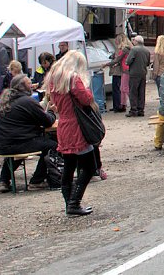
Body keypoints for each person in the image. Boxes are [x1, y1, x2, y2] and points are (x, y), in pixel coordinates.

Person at [46, 51, 98, 215]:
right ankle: (74, 203)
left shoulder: (54, 78)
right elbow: (86, 99)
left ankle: (69, 202)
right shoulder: (73, 79)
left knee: (69, 166)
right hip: (77, 126)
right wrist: (87, 87)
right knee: (90, 167)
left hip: (64, 124)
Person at [0, 75, 57, 192]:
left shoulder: (5, 101)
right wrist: (52, 111)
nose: (32, 85)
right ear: (23, 87)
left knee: (18, 147)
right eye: (29, 84)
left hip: (1, 145)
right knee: (53, 145)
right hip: (17, 143)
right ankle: (36, 181)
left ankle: (3, 180)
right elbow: (48, 121)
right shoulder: (27, 101)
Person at [125, 35, 151, 117]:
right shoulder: (147, 50)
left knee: (133, 92)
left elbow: (128, 61)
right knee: (141, 92)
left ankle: (134, 110)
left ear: (136, 41)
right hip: (143, 72)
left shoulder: (134, 49)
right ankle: (141, 110)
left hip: (134, 73)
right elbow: (148, 62)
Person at [106, 34, 131, 113]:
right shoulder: (127, 49)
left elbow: (117, 60)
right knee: (121, 88)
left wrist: (107, 64)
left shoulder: (122, 49)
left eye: (116, 40)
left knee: (120, 88)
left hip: (120, 71)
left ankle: (119, 105)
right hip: (123, 70)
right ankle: (121, 104)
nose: (115, 41)